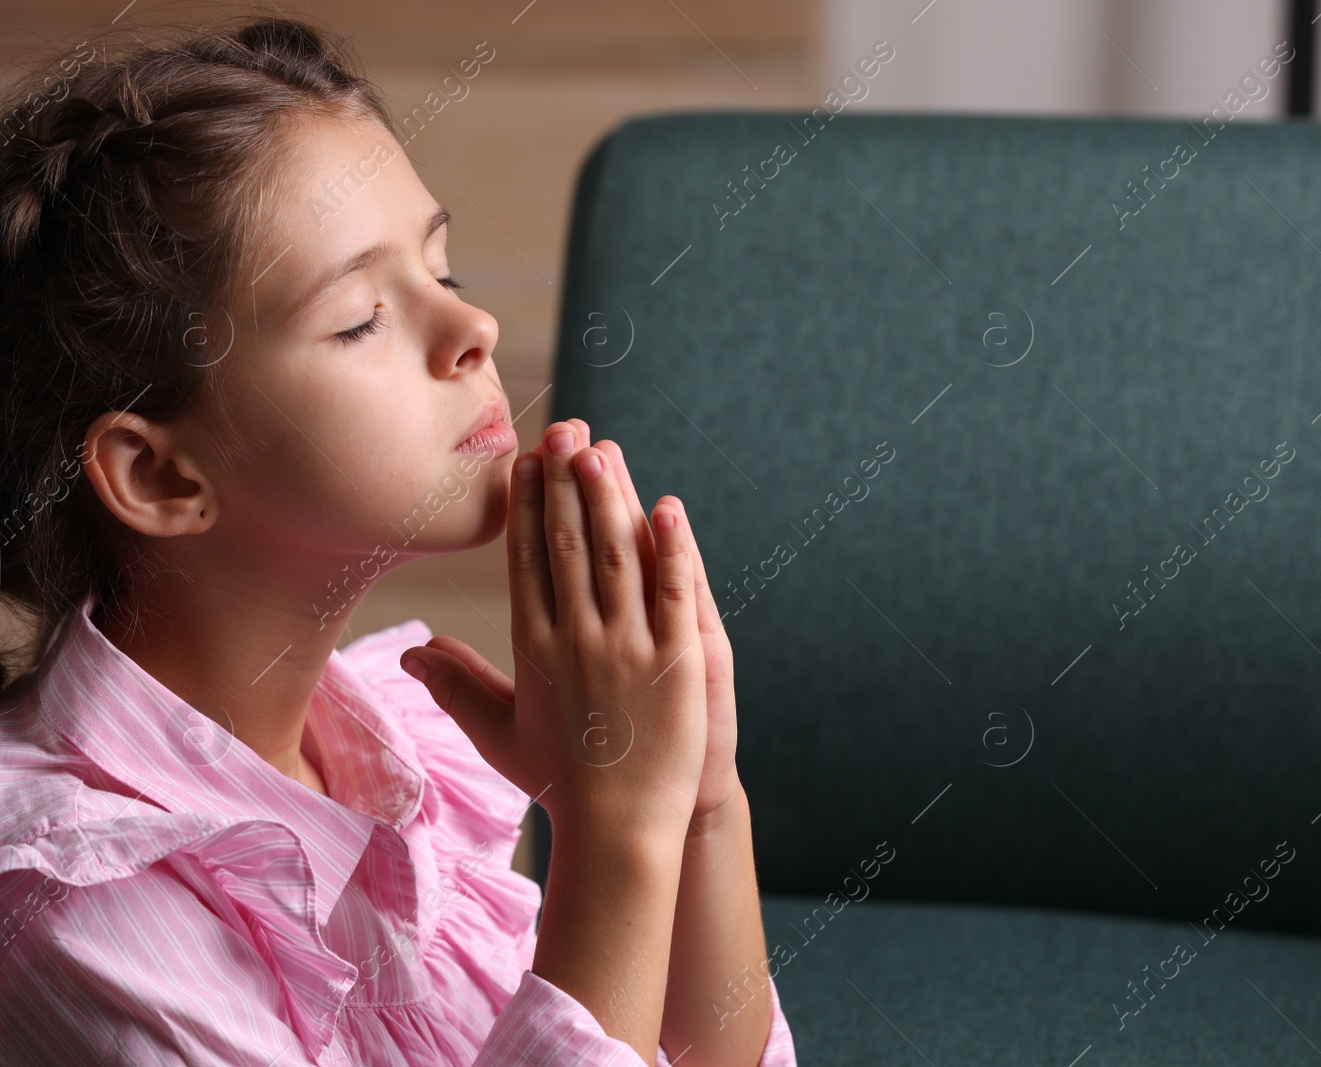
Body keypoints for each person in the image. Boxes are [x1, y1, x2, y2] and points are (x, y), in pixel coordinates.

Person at [0, 13, 795, 1066]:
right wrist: (614, 839)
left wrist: (696, 796)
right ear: (161, 474)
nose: (476, 331)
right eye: (363, 317)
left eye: (445, 269)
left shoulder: (395, 747)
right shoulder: (75, 903)